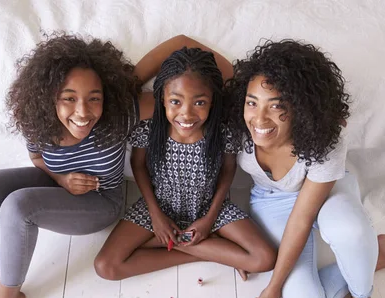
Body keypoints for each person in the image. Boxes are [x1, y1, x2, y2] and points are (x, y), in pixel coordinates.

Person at [0, 33, 209, 298]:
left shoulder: (121, 112)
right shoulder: (38, 121)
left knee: (18, 207)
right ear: (49, 97)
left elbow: (179, 87)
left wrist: (228, 86)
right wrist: (61, 180)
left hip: (102, 201)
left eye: (94, 98)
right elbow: (37, 158)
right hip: (57, 186)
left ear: (106, 96)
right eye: (69, 98)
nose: (83, 112)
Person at [225, 40, 385, 298]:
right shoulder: (241, 128)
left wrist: (273, 285)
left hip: (327, 191)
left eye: (276, 104)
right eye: (252, 102)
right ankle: (379, 254)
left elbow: (302, 218)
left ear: (301, 105)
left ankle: (362, 297)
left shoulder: (325, 139)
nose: (260, 118)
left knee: (348, 230)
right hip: (271, 200)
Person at [94, 47, 276, 281]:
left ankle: (175, 243)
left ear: (212, 101)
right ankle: (211, 253)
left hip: (209, 208)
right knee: (106, 266)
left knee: (264, 259)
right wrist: (156, 216)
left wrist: (209, 219)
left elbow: (228, 170)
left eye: (199, 102)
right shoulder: (148, 129)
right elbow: (138, 165)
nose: (186, 114)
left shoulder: (223, 132)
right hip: (160, 207)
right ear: (162, 99)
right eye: (175, 102)